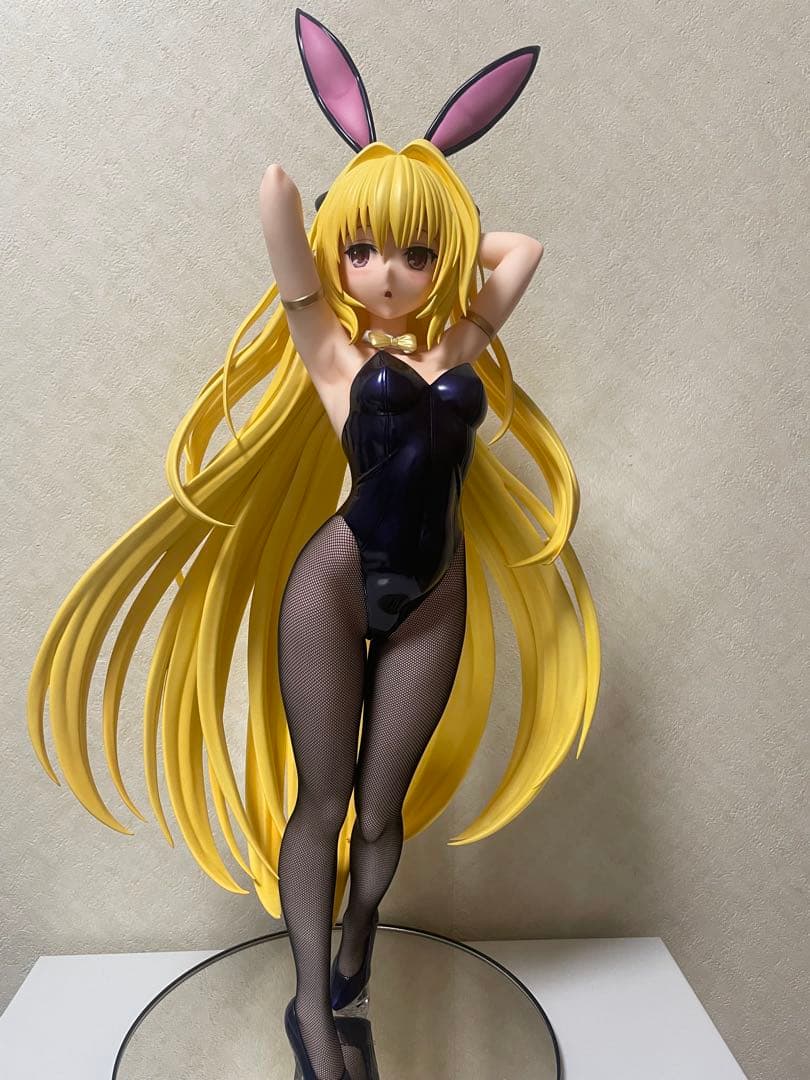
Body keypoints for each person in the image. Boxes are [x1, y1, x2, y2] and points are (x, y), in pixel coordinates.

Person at [27, 11, 601, 1079]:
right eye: (365, 249)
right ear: (341, 253)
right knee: (322, 802)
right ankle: (311, 1010)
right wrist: (344, 193)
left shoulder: (462, 342)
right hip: (334, 583)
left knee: (381, 814)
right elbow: (283, 214)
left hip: (435, 591)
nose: (388, 274)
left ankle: (355, 947)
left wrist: (426, 189)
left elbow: (522, 251)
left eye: (417, 254)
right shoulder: (333, 354)